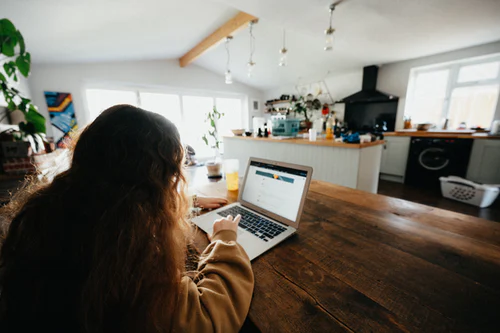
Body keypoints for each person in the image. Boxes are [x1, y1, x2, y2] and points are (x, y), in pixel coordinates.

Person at [0, 105, 254, 333]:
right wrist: (225, 240)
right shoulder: (123, 255)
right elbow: (207, 318)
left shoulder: (51, 212)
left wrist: (192, 203)